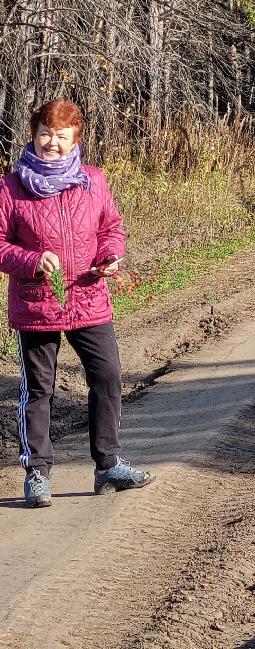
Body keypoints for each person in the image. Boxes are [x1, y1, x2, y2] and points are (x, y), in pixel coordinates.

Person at [0, 98, 154, 507]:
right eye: (45, 134)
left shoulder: (94, 181)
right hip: (36, 304)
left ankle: (108, 465)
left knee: (108, 377)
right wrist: (32, 260)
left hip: (89, 297)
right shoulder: (10, 187)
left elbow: (111, 229)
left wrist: (110, 257)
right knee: (38, 389)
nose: (52, 143)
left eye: (61, 136)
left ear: (76, 139)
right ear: (34, 135)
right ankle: (36, 474)